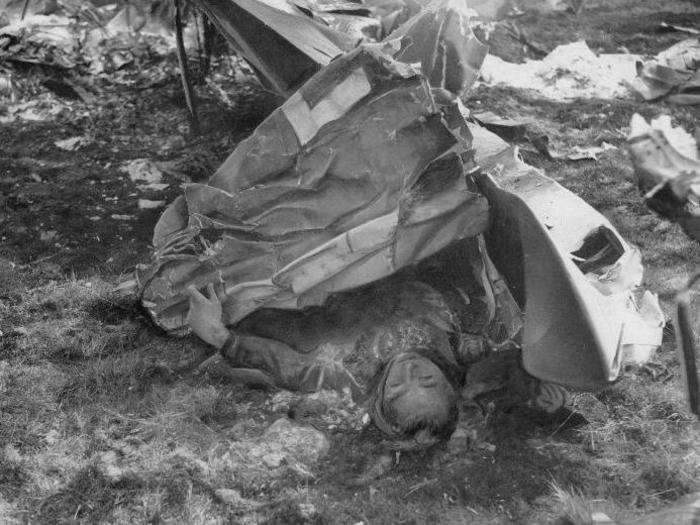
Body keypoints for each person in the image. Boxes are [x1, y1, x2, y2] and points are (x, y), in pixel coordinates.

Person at [185, 237, 556, 443]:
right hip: (413, 260)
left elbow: (292, 369)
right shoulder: (459, 356)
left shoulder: (353, 379)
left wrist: (219, 336)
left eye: (397, 387)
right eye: (427, 379)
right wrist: (540, 377)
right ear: (449, 381)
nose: (409, 370)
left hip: (349, 278)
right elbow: (509, 362)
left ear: (380, 397)